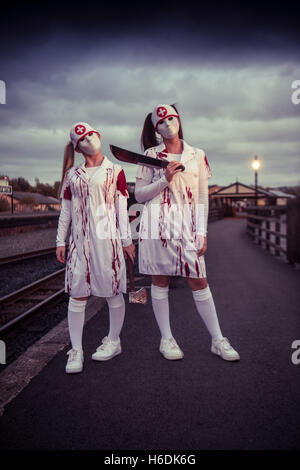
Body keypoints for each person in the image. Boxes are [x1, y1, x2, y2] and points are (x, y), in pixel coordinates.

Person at [135, 104, 240, 362]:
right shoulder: (150, 154)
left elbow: (202, 195)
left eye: (171, 118)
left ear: (179, 120)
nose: (168, 123)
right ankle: (166, 339)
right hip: (157, 225)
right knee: (160, 280)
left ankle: (218, 339)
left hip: (188, 227)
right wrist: (164, 180)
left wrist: (202, 232)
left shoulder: (197, 154)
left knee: (198, 280)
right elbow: (139, 195)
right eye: (161, 121)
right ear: (156, 129)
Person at [56, 122, 135, 373]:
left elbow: (122, 211)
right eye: (83, 138)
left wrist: (126, 241)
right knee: (77, 296)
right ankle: (76, 350)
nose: (89, 139)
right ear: (77, 148)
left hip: (107, 242)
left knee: (112, 292)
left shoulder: (116, 171)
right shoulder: (72, 175)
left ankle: (114, 341)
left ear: (98, 136)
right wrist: (61, 240)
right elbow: (66, 212)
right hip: (80, 244)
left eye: (91, 134)